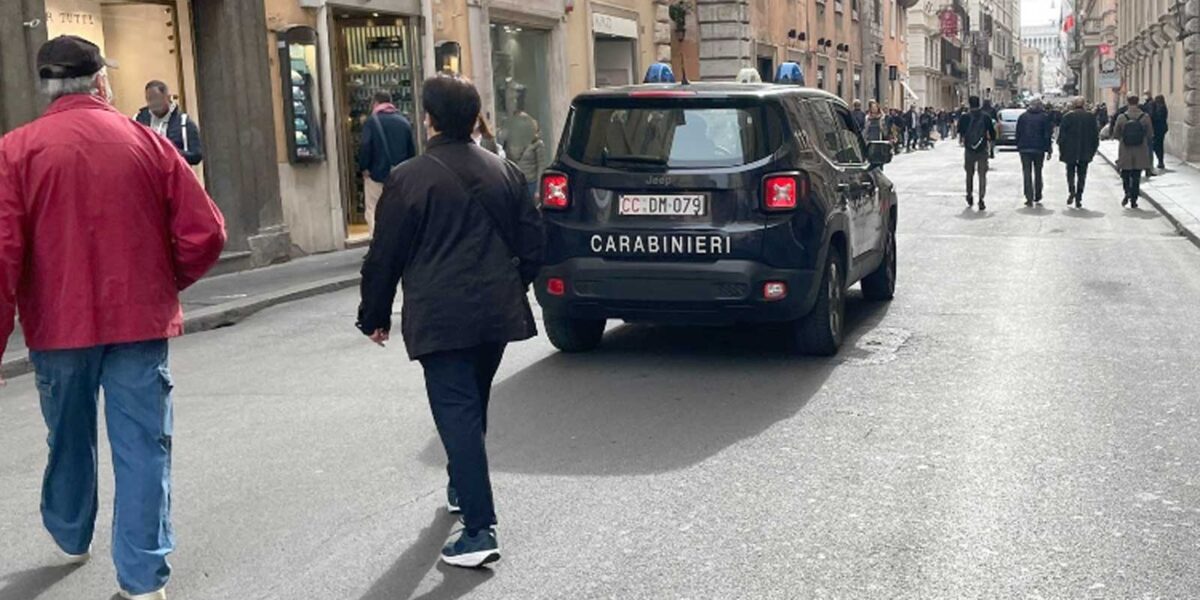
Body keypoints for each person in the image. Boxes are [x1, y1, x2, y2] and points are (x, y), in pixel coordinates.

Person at [0, 35, 226, 600]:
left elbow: (4, 254)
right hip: (138, 323)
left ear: (46, 88)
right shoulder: (147, 144)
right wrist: (165, 281)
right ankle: (143, 579)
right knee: (144, 445)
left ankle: (72, 531)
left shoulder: (15, 151)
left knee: (68, 435)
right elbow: (207, 232)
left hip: (58, 325)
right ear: (101, 82)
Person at [357, 75, 544, 568]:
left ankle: (480, 530)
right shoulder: (504, 172)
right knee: (471, 404)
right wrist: (511, 285)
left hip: (441, 316)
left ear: (430, 118)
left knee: (457, 412)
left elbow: (385, 256)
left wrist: (373, 315)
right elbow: (535, 246)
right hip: (494, 314)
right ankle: (463, 488)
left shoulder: (409, 177)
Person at [358, 90, 416, 235]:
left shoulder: (371, 122)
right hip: (400, 176)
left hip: (376, 174)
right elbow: (411, 150)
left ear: (376, 103)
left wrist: (364, 167)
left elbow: (365, 146)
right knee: (398, 209)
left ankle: (376, 243)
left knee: (373, 208)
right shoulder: (404, 122)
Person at [134, 80, 203, 165]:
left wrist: (170, 152)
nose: (153, 105)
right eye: (149, 100)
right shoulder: (138, 120)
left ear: (167, 97)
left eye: (157, 100)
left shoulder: (184, 123)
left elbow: (197, 156)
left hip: (174, 174)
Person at [1057, 96, 1100, 208]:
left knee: (1070, 172)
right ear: (1084, 104)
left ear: (1073, 105)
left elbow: (1061, 136)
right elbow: (1095, 136)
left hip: (1070, 151)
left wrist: (1062, 150)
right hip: (1085, 151)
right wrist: (1093, 150)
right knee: (1082, 174)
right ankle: (1079, 197)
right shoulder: (1090, 117)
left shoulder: (1067, 117)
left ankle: (1071, 190)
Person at [1114, 94, 1155, 209]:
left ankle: (1127, 191)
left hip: (1125, 150)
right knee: (1136, 176)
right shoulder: (1145, 117)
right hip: (1140, 149)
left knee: (1125, 174)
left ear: (1128, 102)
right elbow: (1150, 134)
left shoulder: (1122, 117)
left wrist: (1123, 138)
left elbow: (1116, 134)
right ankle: (1134, 199)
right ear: (1137, 102)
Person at [1015, 99, 1055, 207]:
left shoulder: (1023, 117)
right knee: (1038, 172)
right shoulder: (1044, 117)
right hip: (1039, 149)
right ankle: (1038, 194)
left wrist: (1018, 145)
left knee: (1026, 172)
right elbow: (1047, 134)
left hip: (1024, 149)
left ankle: (1028, 196)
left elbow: (1018, 132)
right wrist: (1049, 149)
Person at [958, 95, 996, 211]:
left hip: (969, 149)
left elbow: (960, 132)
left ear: (969, 104)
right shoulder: (985, 117)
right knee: (982, 175)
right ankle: (981, 198)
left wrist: (965, 140)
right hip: (982, 149)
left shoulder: (964, 117)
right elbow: (992, 133)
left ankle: (969, 194)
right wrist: (991, 147)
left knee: (969, 174)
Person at [1150, 95, 1169, 171]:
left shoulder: (1161, 108)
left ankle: (1160, 161)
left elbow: (1157, 117)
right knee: (1158, 145)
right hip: (1160, 129)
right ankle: (1160, 161)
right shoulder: (1162, 107)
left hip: (1158, 130)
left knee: (1157, 146)